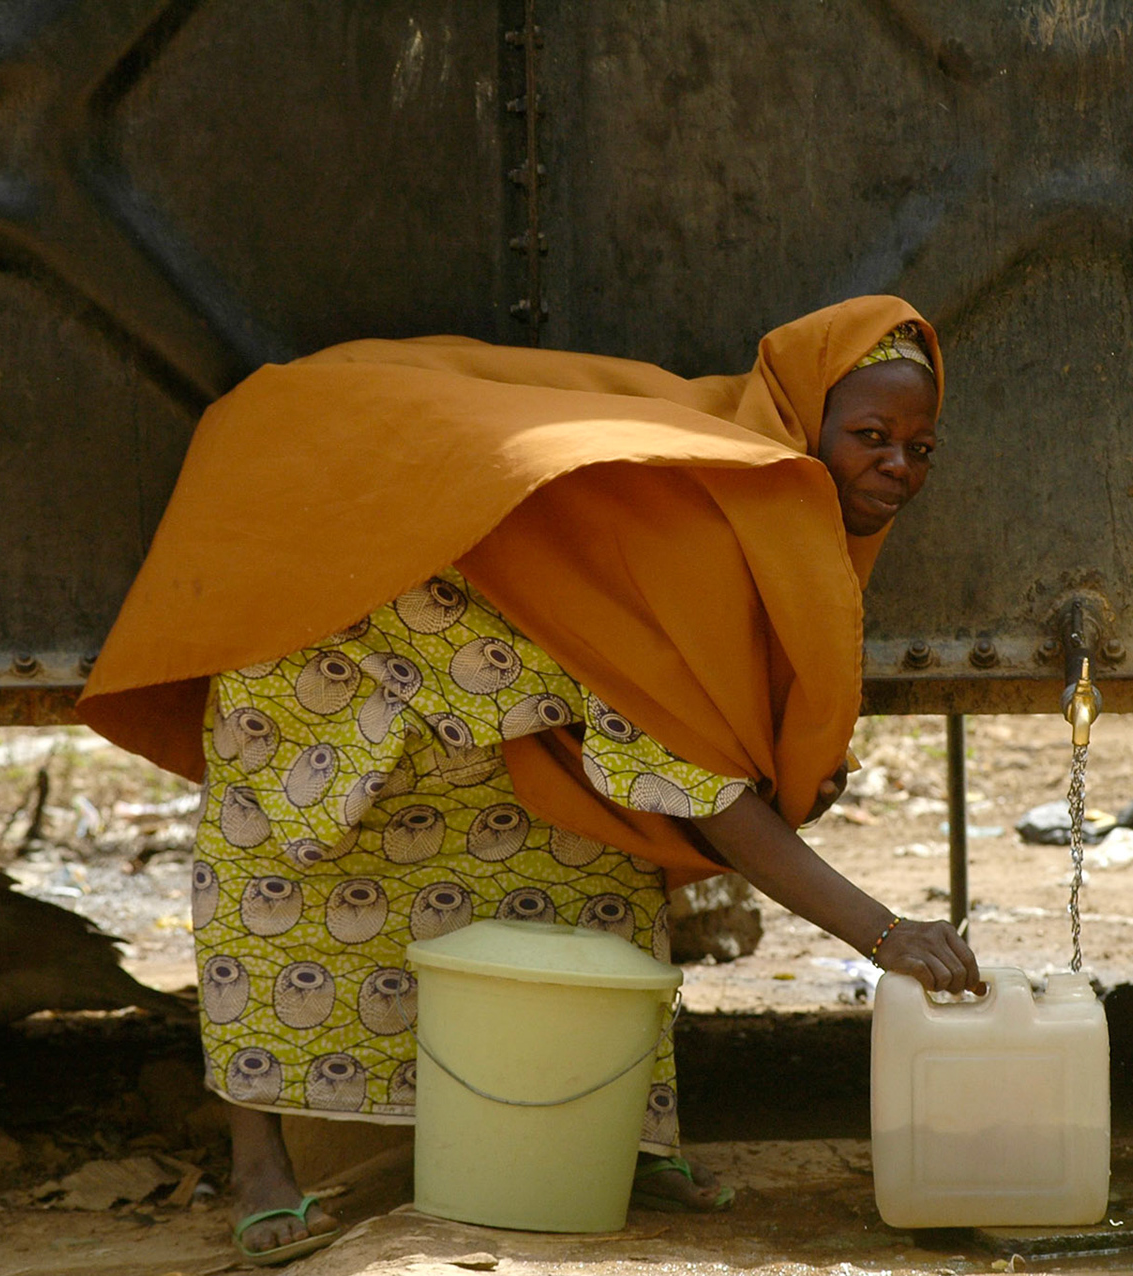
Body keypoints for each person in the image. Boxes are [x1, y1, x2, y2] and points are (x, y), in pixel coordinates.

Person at [78, 296, 980, 1265]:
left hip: (489, 640)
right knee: (282, 882)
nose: (898, 464)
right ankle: (260, 1170)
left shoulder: (771, 510)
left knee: (589, 859)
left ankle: (621, 1140)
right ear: (807, 421)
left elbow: (699, 749)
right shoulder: (698, 518)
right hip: (333, 631)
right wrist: (884, 933)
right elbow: (707, 788)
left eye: (921, 448)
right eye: (871, 436)